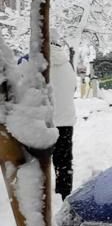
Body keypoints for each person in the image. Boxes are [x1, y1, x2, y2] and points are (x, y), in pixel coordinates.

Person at [49, 30, 76, 199]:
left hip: (44, 120)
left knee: (38, 159)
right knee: (64, 159)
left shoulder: (37, 62)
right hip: (65, 120)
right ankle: (64, 190)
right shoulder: (67, 64)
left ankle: (40, 191)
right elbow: (72, 87)